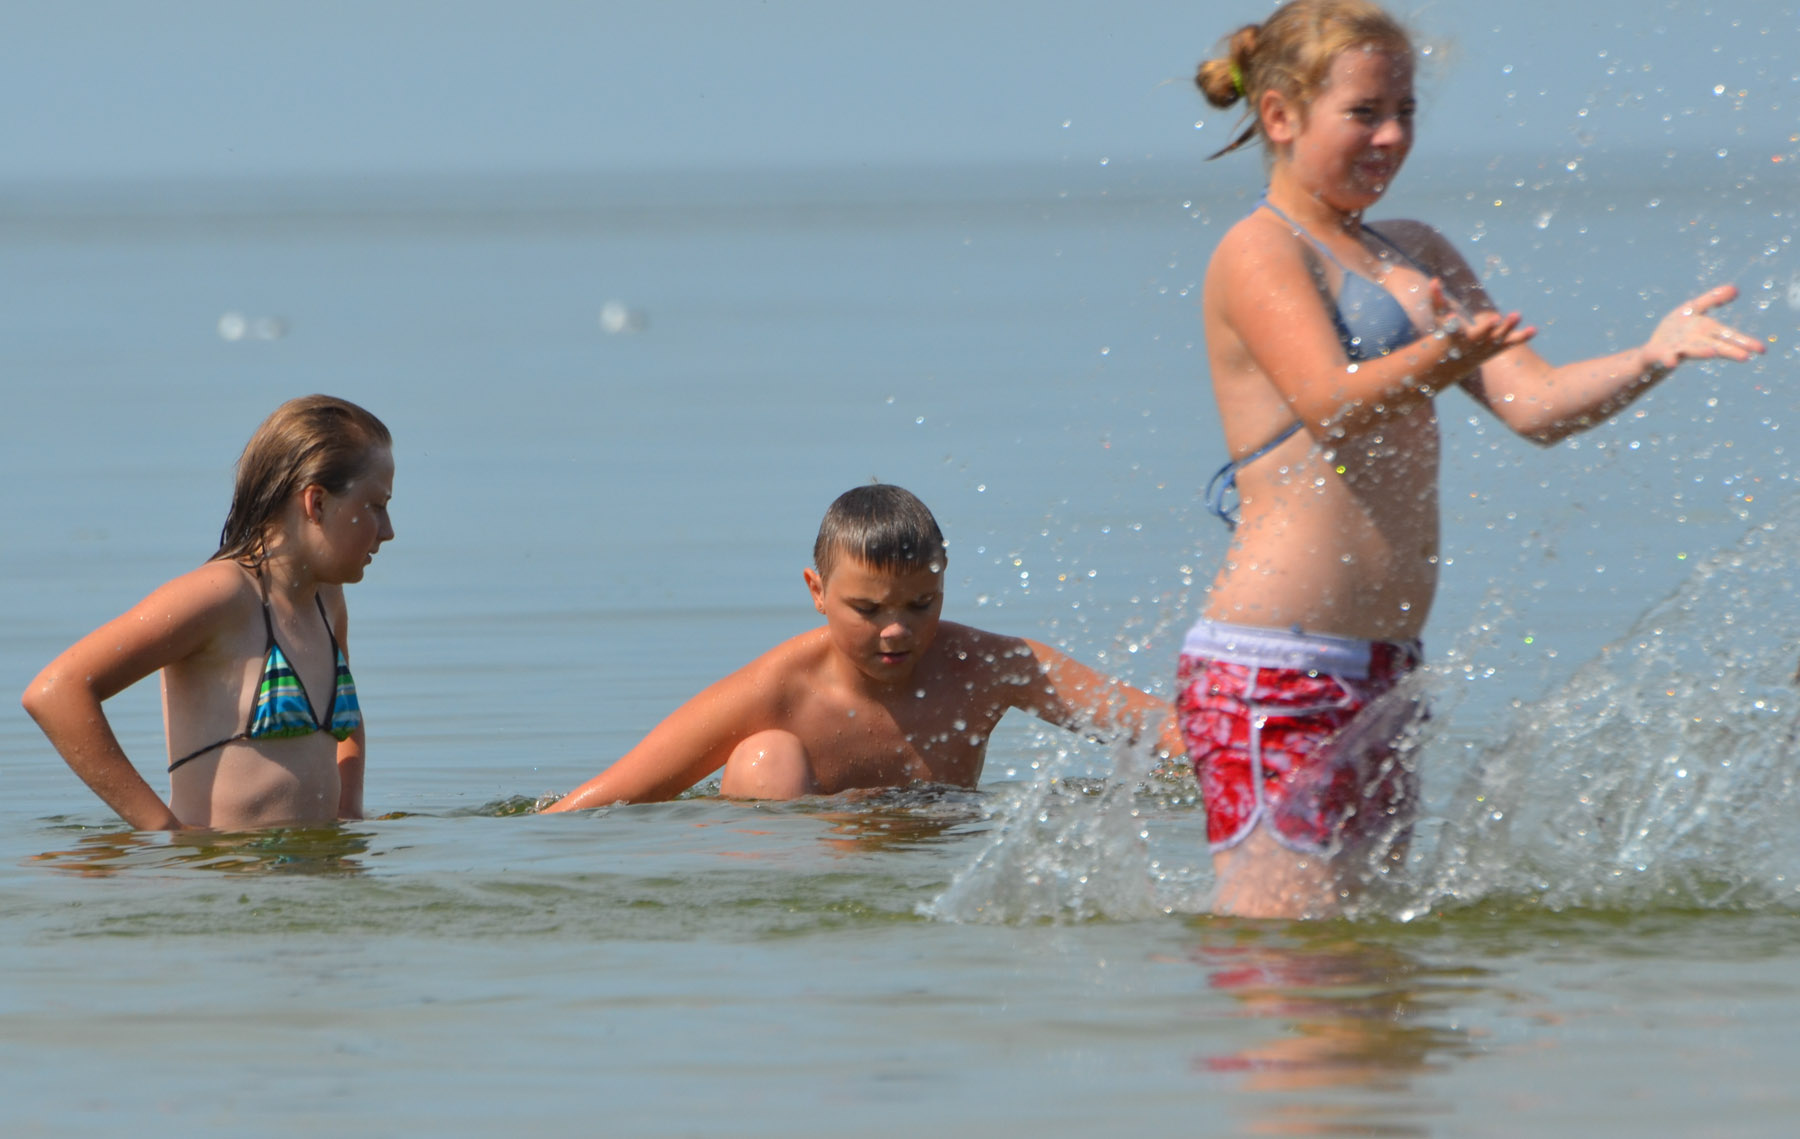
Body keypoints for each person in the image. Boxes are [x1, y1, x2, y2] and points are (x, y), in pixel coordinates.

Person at [1178, 0, 1764, 918]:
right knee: (1285, 956)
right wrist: (1439, 355)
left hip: (1383, 672)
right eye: (1365, 112)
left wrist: (1653, 354)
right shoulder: (1260, 250)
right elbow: (1329, 401)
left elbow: (1536, 404)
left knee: (1373, 966)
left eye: (1405, 111)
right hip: (1273, 671)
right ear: (1282, 115)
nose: (1391, 136)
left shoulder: (1415, 251)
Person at [545, 484, 1184, 810]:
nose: (897, 630)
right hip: (800, 890)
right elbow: (604, 801)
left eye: (920, 604)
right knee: (767, 757)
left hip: (931, 876)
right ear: (817, 592)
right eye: (868, 610)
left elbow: (1172, 732)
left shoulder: (989, 668)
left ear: (943, 586)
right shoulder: (778, 688)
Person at [22, 395, 395, 831]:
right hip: (220, 869)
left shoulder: (326, 598)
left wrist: (349, 813)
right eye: (376, 505)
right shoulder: (218, 597)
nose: (388, 531)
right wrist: (162, 830)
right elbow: (56, 693)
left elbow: (345, 720)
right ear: (317, 503)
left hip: (321, 867)